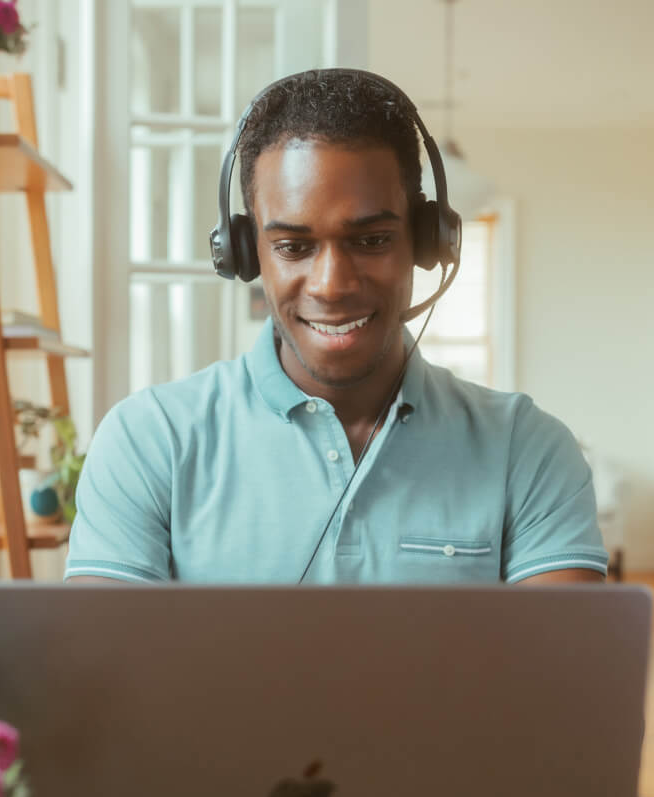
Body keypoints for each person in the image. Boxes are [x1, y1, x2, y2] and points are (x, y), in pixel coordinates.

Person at [65, 69, 606, 586]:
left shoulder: (527, 448)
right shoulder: (148, 440)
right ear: (245, 253)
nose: (331, 284)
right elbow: (100, 673)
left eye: (370, 240)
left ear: (424, 242)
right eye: (293, 247)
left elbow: (555, 678)